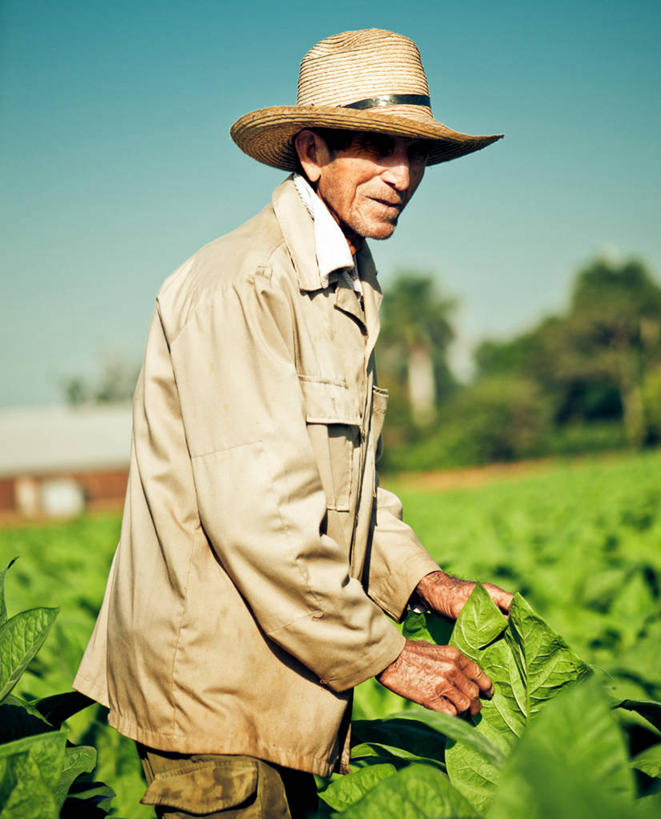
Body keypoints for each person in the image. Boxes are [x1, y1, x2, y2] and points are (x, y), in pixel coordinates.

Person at [74, 28, 512, 818]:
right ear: (312, 151)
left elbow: (347, 483)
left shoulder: (345, 281)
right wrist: (386, 655)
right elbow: (261, 514)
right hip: (213, 689)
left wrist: (424, 580)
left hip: (285, 675)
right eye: (379, 147)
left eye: (416, 156)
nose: (404, 176)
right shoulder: (244, 284)